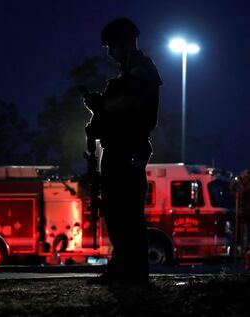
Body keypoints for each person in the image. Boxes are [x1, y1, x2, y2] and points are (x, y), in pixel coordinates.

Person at [84, 18, 162, 284]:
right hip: (118, 146)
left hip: (129, 147)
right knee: (117, 210)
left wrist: (102, 106)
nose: (109, 51)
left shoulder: (141, 70)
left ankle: (131, 270)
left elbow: (131, 104)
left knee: (126, 210)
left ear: (123, 42)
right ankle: (124, 267)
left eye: (111, 45)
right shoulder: (131, 71)